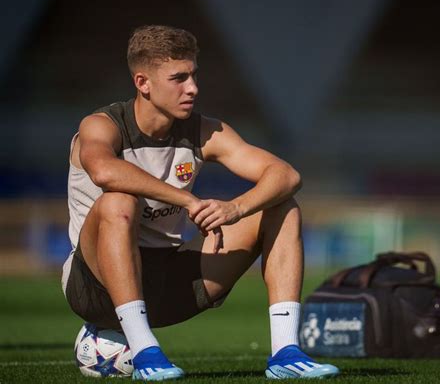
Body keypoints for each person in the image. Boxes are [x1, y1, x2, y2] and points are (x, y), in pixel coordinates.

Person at [61, 25, 339, 381]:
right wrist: (187, 200)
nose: (192, 88)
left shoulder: (203, 130)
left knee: (282, 205)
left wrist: (235, 208)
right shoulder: (102, 125)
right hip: (94, 287)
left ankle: (286, 352)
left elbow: (285, 174)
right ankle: (146, 352)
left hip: (169, 282)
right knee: (119, 202)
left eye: (193, 75)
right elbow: (103, 171)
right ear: (143, 83)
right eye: (178, 78)